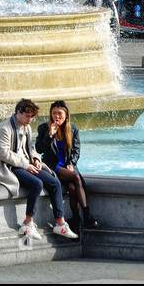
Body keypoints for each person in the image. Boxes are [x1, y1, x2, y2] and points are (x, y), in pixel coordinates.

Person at [0, 98, 79, 241]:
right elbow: (4, 154)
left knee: (54, 183)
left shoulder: (27, 127)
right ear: (18, 112)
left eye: (32, 116)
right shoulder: (4, 128)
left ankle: (60, 223)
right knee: (37, 184)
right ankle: (27, 223)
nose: (30, 119)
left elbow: (31, 148)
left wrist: (36, 159)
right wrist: (26, 164)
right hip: (10, 167)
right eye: (27, 116)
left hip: (27, 164)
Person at [36, 100, 99, 233]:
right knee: (76, 177)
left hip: (67, 165)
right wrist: (50, 135)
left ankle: (76, 219)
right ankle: (87, 215)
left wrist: (72, 163)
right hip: (52, 166)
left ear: (66, 115)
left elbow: (76, 150)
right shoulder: (43, 128)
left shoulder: (73, 129)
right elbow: (39, 149)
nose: (56, 116)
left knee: (72, 187)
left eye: (60, 113)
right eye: (54, 113)